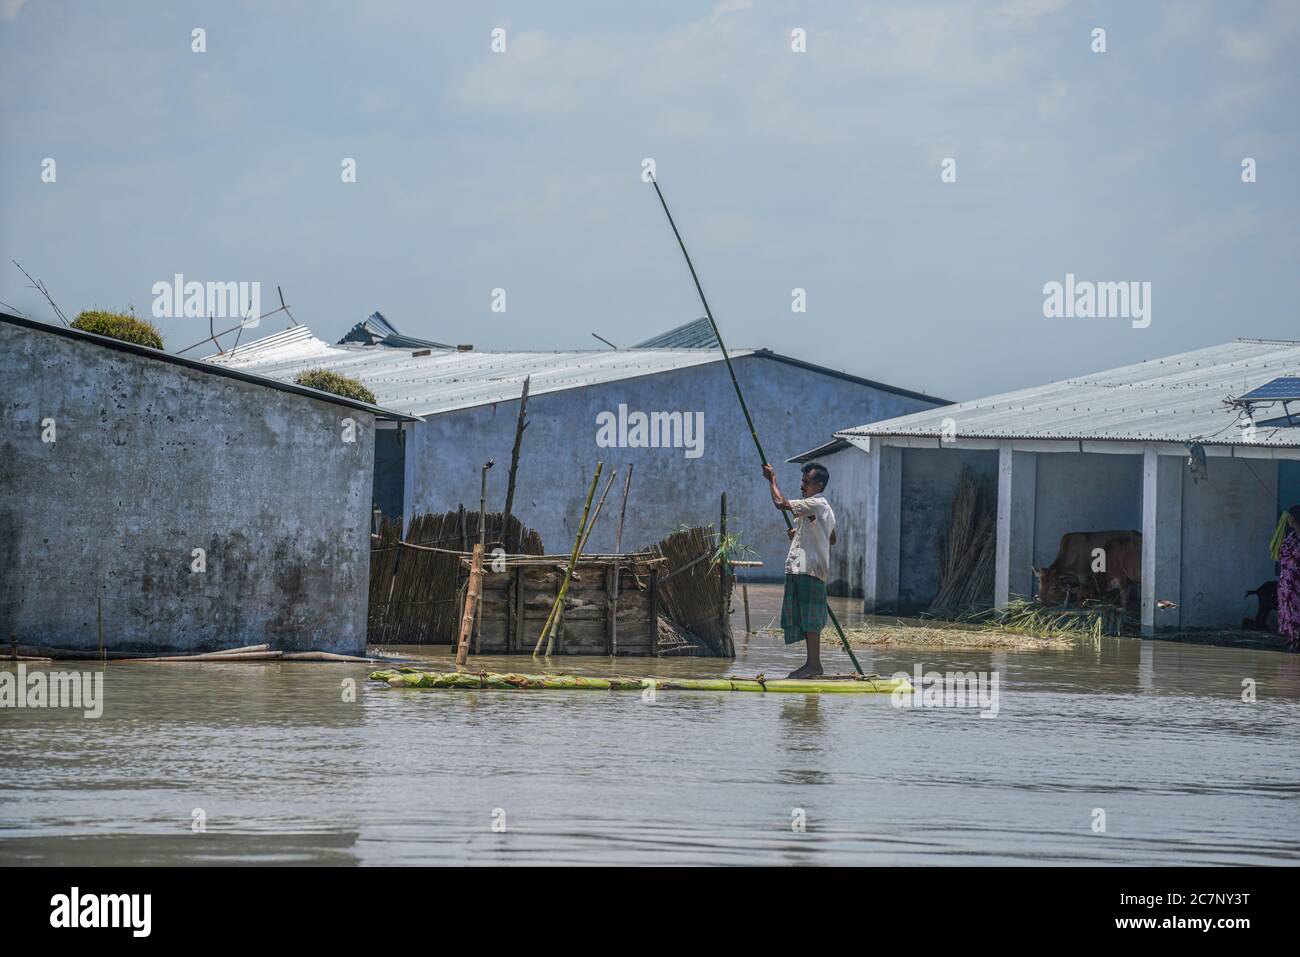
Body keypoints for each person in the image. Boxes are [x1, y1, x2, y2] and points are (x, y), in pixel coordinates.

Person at [762, 461, 836, 678]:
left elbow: (780, 503)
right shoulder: (818, 509)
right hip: (802, 568)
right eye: (802, 482)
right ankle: (810, 664)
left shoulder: (818, 503)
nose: (802, 486)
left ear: (819, 486)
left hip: (810, 569)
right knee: (804, 617)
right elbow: (831, 537)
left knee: (811, 619)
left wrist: (772, 479)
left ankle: (814, 665)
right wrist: (804, 534)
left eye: (807, 482)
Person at [1279, 505, 1300, 652]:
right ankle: (1292, 641)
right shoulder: (1290, 537)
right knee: (1289, 613)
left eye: (1290, 516)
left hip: (1297, 585)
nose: (1288, 519)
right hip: (1287, 586)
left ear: (1294, 518)